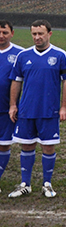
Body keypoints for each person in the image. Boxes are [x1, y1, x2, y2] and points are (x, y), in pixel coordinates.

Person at [7, 20, 66, 198]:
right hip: (27, 109)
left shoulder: (60, 55)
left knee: (48, 147)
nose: (37, 37)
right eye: (34, 34)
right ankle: (25, 184)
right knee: (26, 145)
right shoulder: (23, 56)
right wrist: (13, 104)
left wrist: (64, 106)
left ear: (49, 34)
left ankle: (47, 184)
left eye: (40, 33)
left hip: (49, 110)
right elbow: (16, 81)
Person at [0, 20, 24, 192]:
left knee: (3, 144)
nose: (1, 36)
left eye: (5, 32)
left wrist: (14, 105)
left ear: (12, 33)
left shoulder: (20, 54)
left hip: (6, 109)